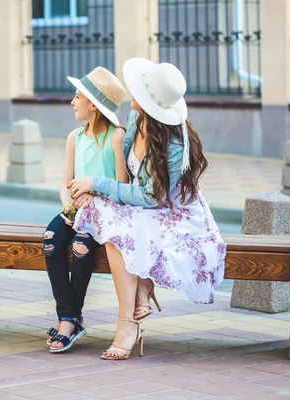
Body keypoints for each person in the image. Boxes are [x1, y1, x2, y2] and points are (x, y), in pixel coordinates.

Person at [69, 58, 227, 360]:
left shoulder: (174, 143)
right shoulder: (135, 119)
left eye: (138, 90)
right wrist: (96, 189)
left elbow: (152, 198)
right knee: (113, 225)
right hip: (146, 207)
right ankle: (139, 297)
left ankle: (127, 323)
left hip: (174, 214)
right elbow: (128, 180)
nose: (132, 93)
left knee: (118, 231)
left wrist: (97, 183)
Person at [43, 67, 129, 353]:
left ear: (93, 104)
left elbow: (122, 185)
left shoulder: (116, 137)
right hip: (75, 210)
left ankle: (68, 320)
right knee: (50, 240)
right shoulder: (74, 138)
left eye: (77, 96)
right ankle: (69, 315)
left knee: (81, 246)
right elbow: (65, 182)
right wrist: (68, 207)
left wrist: (94, 193)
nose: (73, 102)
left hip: (103, 214)